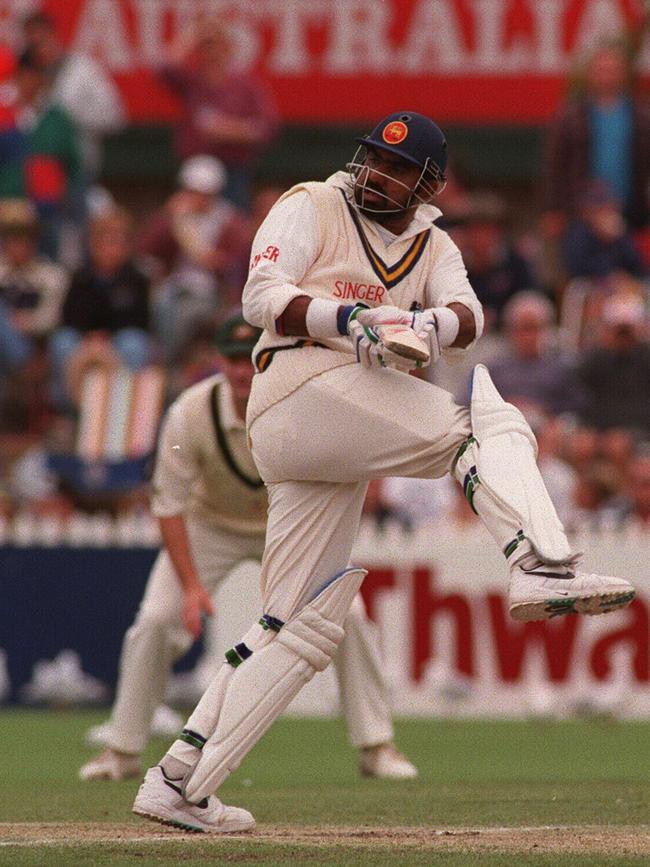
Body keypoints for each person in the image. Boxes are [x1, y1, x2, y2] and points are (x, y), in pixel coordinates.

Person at [132, 111, 635, 833]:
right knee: (479, 430)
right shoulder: (311, 202)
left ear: (429, 184)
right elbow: (259, 297)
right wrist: (351, 321)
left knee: (299, 623)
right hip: (298, 389)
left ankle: (177, 779)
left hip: (339, 424)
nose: (379, 174)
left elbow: (470, 313)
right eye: (375, 159)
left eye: (399, 169)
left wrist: (428, 327)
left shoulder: (432, 241)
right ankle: (539, 564)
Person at [79, 313, 417, 784]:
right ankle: (122, 749)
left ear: (269, 357)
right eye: (233, 361)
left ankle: (376, 746)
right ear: (220, 363)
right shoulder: (190, 413)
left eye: (250, 359)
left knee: (351, 617)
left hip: (286, 528)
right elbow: (168, 505)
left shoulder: (303, 405)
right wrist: (193, 587)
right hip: (209, 526)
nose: (242, 371)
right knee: (156, 620)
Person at [139, 155, 251, 361]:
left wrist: (198, 246)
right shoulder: (174, 214)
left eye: (203, 194)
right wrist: (168, 219)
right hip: (173, 285)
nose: (197, 198)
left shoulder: (231, 222)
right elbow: (147, 249)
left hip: (213, 292)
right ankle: (160, 365)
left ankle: (170, 364)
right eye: (192, 192)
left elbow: (231, 267)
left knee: (182, 314)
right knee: (161, 305)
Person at [158, 19, 279, 209]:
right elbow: (164, 66)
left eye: (217, 45)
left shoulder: (246, 85)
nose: (212, 52)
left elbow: (267, 128)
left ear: (229, 48)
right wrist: (192, 35)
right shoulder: (192, 81)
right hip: (196, 168)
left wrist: (232, 130)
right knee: (187, 222)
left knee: (232, 226)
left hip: (233, 169)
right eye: (207, 46)